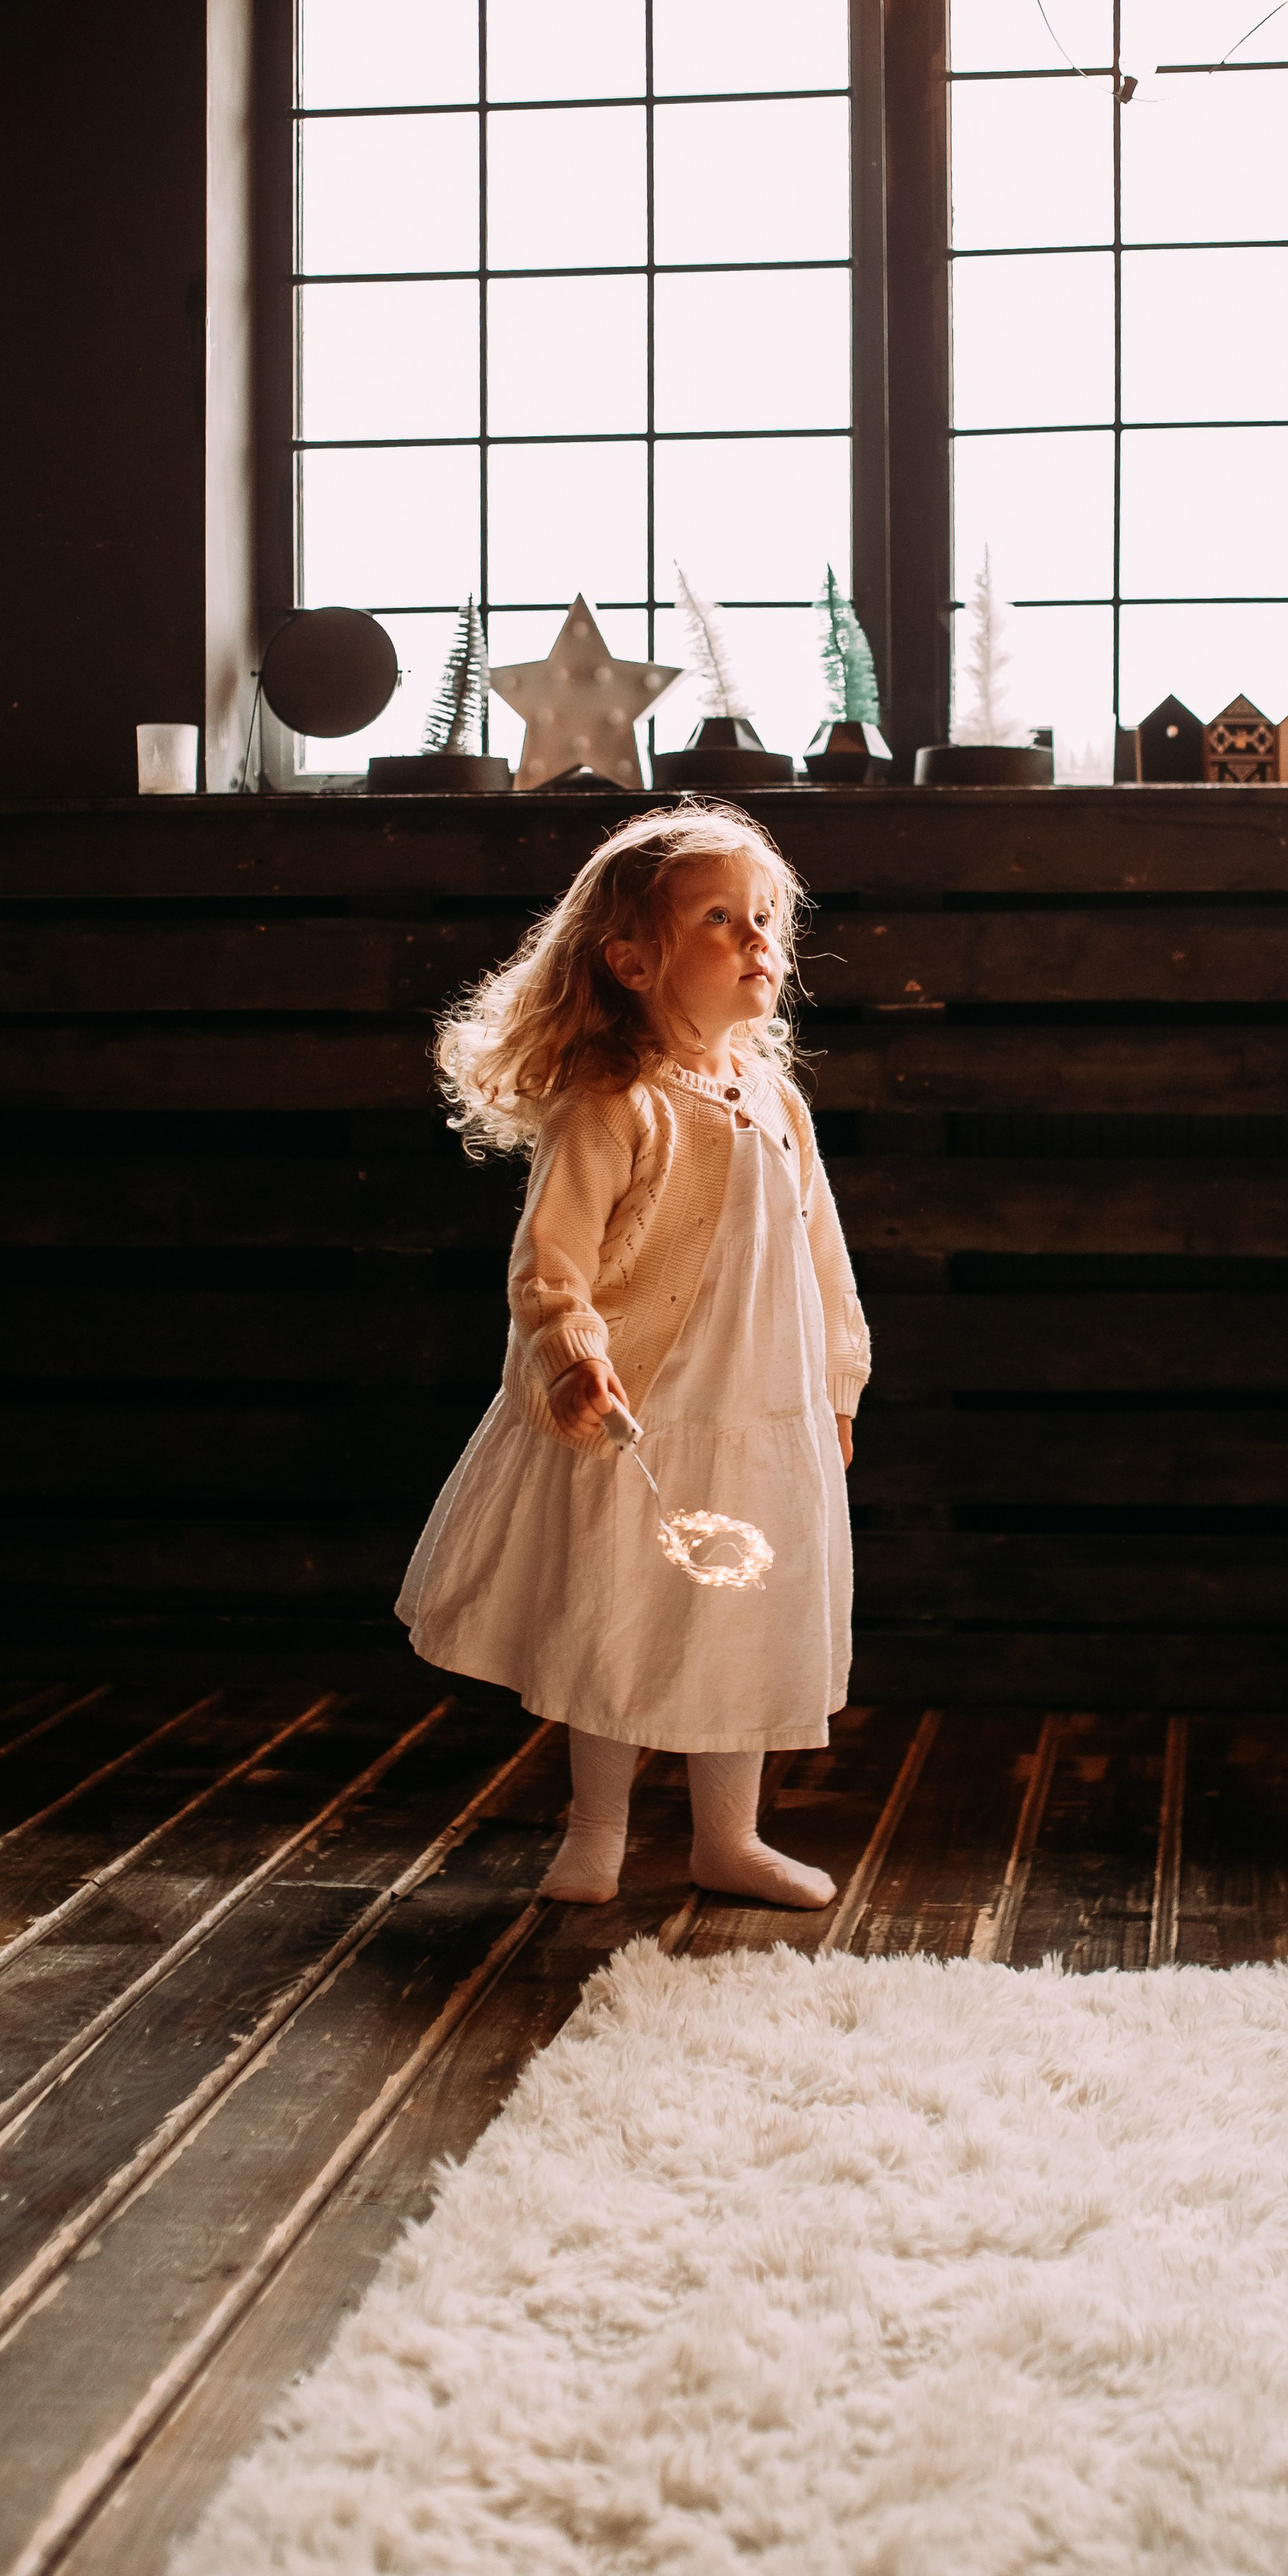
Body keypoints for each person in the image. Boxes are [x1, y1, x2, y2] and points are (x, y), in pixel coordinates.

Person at [397, 803, 869, 1911]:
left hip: (765, 1413)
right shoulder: (613, 1104)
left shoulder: (775, 1099)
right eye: (723, 919)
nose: (760, 940)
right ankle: (595, 1828)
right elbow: (548, 1261)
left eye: (766, 918)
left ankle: (729, 1838)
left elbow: (822, 1254)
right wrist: (569, 1352)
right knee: (624, 1609)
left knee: (742, 1614)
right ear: (634, 957)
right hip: (651, 1413)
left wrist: (838, 1383)